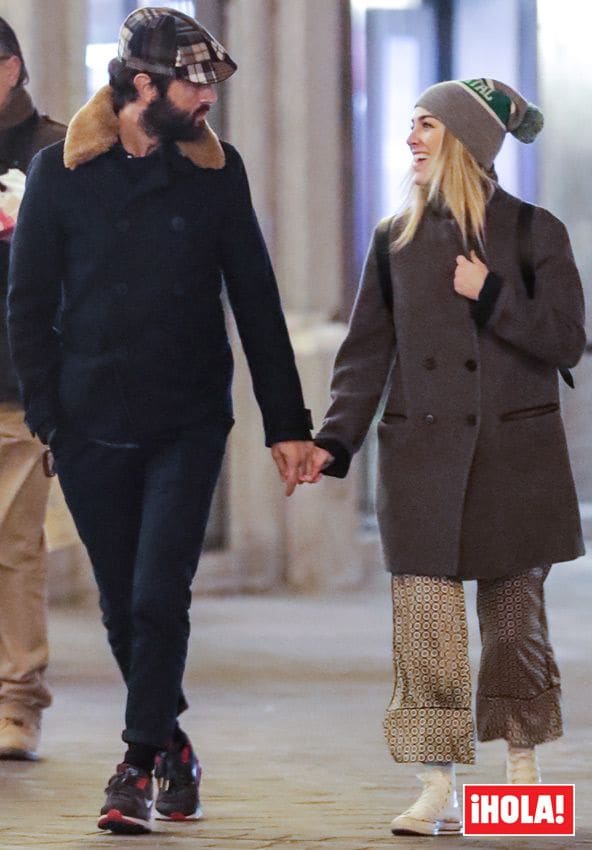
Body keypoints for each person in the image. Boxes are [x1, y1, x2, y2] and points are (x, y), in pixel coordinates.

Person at [7, 7, 312, 835]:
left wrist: (288, 423)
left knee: (155, 597)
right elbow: (27, 308)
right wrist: (49, 419)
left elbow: (254, 298)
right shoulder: (59, 174)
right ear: (143, 85)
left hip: (186, 423)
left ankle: (137, 766)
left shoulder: (215, 174)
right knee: (120, 608)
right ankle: (175, 749)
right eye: (194, 83)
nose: (207, 101)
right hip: (90, 426)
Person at [303, 78, 585, 836]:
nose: (412, 139)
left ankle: (521, 777)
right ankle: (436, 788)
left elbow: (567, 342)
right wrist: (335, 440)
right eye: (411, 125)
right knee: (425, 633)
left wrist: (490, 293)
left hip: (514, 459)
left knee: (513, 627)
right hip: (422, 459)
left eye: (426, 125)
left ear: (465, 137)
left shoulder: (535, 233)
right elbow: (365, 354)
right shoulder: (394, 239)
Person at [0, 17, 66, 761]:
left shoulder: (54, 151)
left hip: (20, 382)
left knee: (14, 545)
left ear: (13, 67)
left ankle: (18, 702)